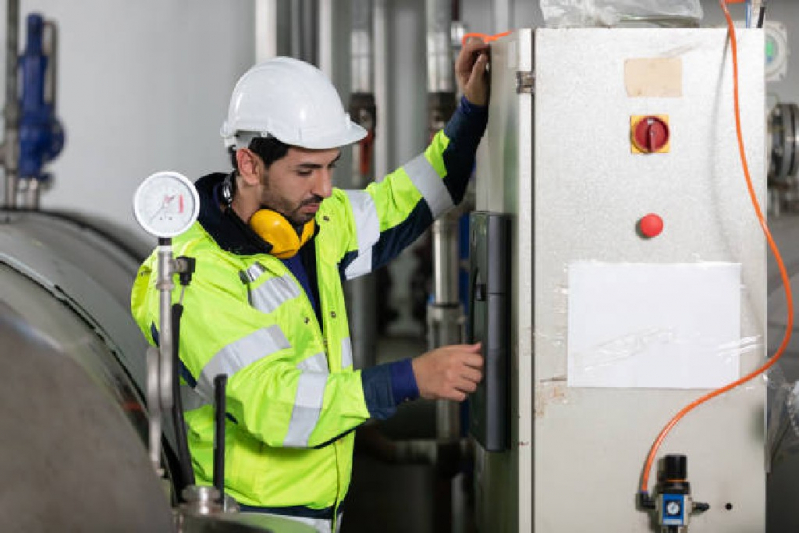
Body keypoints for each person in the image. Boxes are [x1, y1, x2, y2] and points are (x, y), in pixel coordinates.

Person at [131, 37, 490, 532]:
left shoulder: (311, 223)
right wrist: (408, 379)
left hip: (320, 515)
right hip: (249, 521)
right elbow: (274, 404)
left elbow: (406, 202)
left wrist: (472, 110)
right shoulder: (200, 273)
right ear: (249, 164)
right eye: (306, 170)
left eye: (330, 167)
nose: (324, 188)